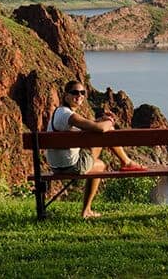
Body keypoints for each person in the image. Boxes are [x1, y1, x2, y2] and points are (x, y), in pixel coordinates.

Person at [46, 80, 147, 218]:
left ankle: (126, 162)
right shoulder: (68, 115)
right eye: (75, 92)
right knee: (101, 161)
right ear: (66, 96)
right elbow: (99, 128)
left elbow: (89, 124)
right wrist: (109, 121)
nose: (79, 95)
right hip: (70, 166)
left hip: (56, 166)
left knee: (100, 136)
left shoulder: (60, 112)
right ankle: (126, 162)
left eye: (82, 92)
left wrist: (100, 120)